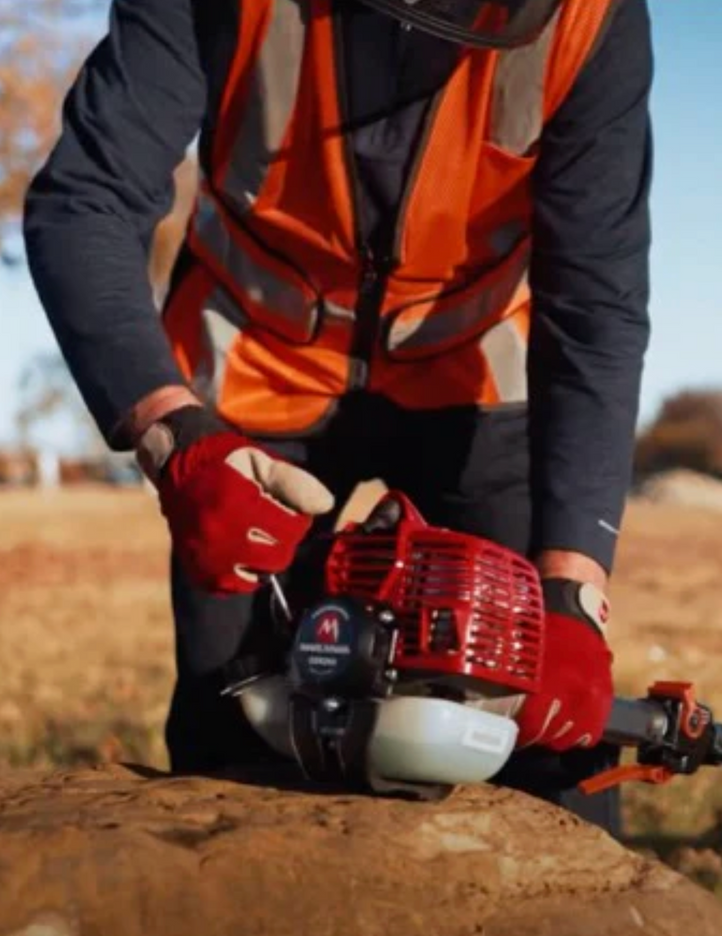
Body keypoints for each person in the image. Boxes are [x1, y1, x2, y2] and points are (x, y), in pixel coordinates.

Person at [23, 0, 653, 838]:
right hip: (254, 368)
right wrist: (173, 435)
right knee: (234, 713)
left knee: (547, 723)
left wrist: (573, 589)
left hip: (473, 376)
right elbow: (85, 199)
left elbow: (596, 304)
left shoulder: (590, 17)